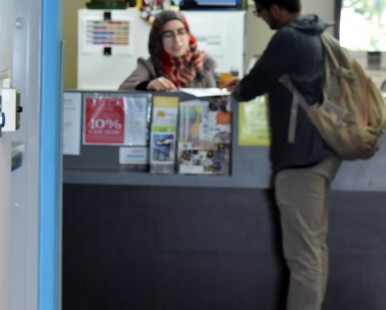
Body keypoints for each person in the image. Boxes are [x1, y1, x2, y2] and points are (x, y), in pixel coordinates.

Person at [223, 1, 340, 309]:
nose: (260, 18)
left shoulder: (289, 37)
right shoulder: (316, 32)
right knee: (314, 250)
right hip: (321, 153)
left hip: (300, 158)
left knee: (304, 257)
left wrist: (237, 87)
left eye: (259, 11)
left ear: (274, 8)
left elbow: (250, 87)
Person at [119, 10, 217, 91]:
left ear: (188, 35)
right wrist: (147, 85)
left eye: (181, 32)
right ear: (158, 40)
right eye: (168, 35)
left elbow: (215, 100)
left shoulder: (202, 63)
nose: (177, 41)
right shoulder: (150, 65)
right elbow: (123, 90)